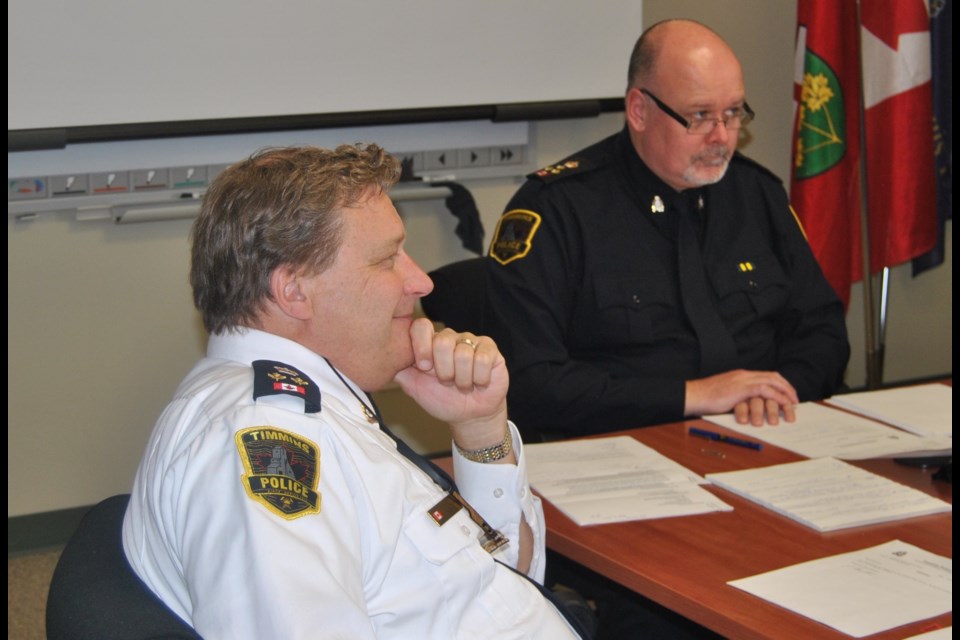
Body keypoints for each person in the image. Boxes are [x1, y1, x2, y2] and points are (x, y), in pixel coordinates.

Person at [121, 144, 588, 639]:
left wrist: (479, 431)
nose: (421, 281)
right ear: (294, 290)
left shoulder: (322, 404)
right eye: (388, 259)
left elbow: (506, 577)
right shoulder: (264, 440)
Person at [485, 19, 850, 443]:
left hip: (763, 434)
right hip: (617, 448)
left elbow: (823, 331)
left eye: (733, 113)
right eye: (699, 116)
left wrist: (775, 391)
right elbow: (533, 381)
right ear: (640, 110)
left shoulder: (758, 195)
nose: (722, 138)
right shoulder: (556, 210)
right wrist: (691, 396)